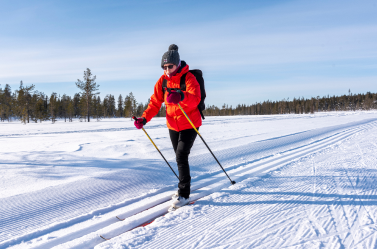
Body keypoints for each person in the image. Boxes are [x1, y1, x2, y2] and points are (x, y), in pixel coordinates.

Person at [134, 44, 202, 209]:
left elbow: (195, 99)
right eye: (164, 67)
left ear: (177, 64)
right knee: (179, 158)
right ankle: (182, 188)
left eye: (170, 66)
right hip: (173, 125)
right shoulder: (162, 81)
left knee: (181, 156)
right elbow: (155, 102)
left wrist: (180, 95)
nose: (167, 69)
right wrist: (144, 119)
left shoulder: (188, 79)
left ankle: (184, 194)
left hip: (190, 123)